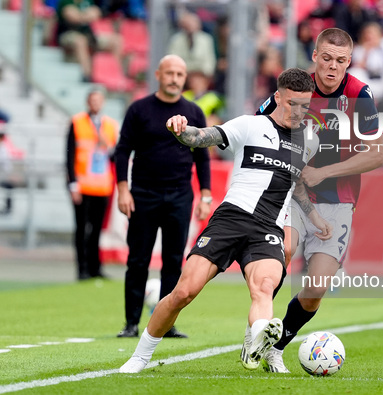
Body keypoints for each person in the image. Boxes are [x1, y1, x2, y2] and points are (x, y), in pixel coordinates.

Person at [119, 67, 331, 374]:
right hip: (230, 218)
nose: (298, 111)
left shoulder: (309, 141)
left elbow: (295, 183)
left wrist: (311, 214)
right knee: (184, 292)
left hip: (267, 228)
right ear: (277, 98)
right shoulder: (250, 126)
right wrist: (181, 129)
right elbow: (203, 137)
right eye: (291, 104)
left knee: (265, 286)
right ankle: (140, 356)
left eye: (304, 105)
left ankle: (256, 339)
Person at [253, 28, 383, 373]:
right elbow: (258, 126)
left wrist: (325, 172)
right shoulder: (297, 87)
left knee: (316, 288)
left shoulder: (360, 95)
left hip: (337, 201)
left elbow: (378, 155)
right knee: (282, 250)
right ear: (315, 56)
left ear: (349, 62)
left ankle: (275, 346)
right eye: (326, 58)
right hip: (292, 196)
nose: (332, 67)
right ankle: (258, 325)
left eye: (340, 61)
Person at [114, 55, 212, 339]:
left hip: (180, 195)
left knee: (173, 260)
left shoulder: (193, 111)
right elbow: (122, 151)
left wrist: (205, 195)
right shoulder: (139, 109)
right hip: (143, 194)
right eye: (169, 73)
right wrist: (122, 188)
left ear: (185, 78)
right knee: (138, 260)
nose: (174, 78)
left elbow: (203, 157)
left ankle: (166, 324)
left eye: (180, 74)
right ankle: (131, 323)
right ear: (158, 74)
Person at [66, 89, 119, 280]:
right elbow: (69, 154)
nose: (95, 103)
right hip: (82, 185)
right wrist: (73, 184)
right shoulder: (77, 122)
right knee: (81, 229)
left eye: (99, 100)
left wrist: (109, 147)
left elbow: (114, 156)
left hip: (102, 185)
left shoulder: (110, 125)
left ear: (103, 102)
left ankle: (96, 268)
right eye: (92, 100)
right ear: (88, 102)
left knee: (96, 229)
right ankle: (82, 269)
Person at [56, 0, 122, 82]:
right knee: (80, 40)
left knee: (116, 40)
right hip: (68, 35)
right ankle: (87, 75)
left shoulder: (88, 1)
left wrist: (82, 15)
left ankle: (114, 73)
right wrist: (87, 15)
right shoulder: (66, 2)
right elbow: (72, 17)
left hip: (88, 35)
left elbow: (96, 13)